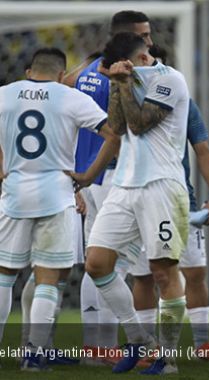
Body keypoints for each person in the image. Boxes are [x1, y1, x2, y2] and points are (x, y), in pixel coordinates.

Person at [0, 48, 119, 370]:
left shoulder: (5, 95)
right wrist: (89, 176)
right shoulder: (71, 97)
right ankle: (34, 356)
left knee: (4, 278)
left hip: (13, 194)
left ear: (28, 71)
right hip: (56, 193)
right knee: (48, 280)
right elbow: (113, 135)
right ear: (61, 74)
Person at [81, 32, 190, 375]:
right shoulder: (124, 79)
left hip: (161, 185)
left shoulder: (170, 79)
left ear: (141, 58)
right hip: (125, 185)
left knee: (163, 270)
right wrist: (116, 84)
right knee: (97, 263)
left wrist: (124, 83)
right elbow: (116, 126)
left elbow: (140, 124)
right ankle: (139, 338)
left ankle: (167, 357)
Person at [127, 45, 209, 360]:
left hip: (179, 198)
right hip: (139, 197)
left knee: (194, 272)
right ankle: (147, 345)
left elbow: (202, 149)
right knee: (144, 276)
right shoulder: (125, 102)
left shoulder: (186, 104)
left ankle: (202, 345)